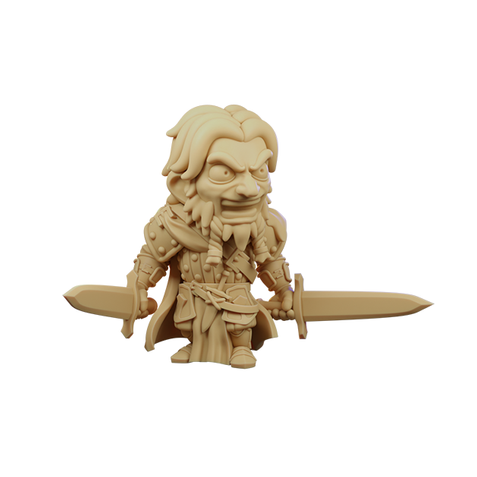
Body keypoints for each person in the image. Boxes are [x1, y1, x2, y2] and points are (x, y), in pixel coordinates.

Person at [133, 105, 293, 368]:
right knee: (189, 318)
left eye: (259, 171)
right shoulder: (172, 223)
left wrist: (285, 291)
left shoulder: (262, 225)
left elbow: (270, 261)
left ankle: (241, 347)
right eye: (224, 173)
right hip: (195, 297)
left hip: (236, 296)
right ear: (182, 185)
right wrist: (139, 288)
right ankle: (194, 343)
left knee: (239, 319)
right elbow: (154, 257)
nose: (250, 189)